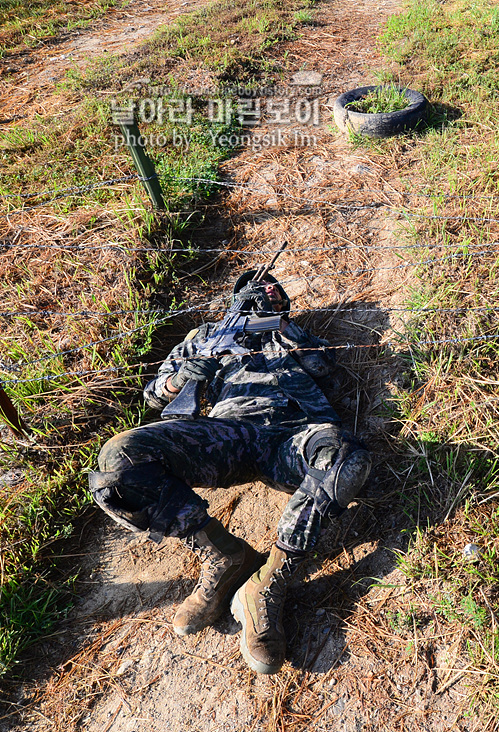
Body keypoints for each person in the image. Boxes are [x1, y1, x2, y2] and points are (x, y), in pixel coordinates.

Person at [89, 270, 372, 675]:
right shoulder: (203, 336)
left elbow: (324, 363)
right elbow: (155, 394)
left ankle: (268, 582)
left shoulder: (289, 331)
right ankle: (224, 556)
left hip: (293, 435)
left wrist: (284, 327)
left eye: (275, 285)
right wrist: (184, 377)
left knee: (348, 458)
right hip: (228, 434)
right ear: (238, 296)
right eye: (259, 284)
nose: (269, 288)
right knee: (118, 460)